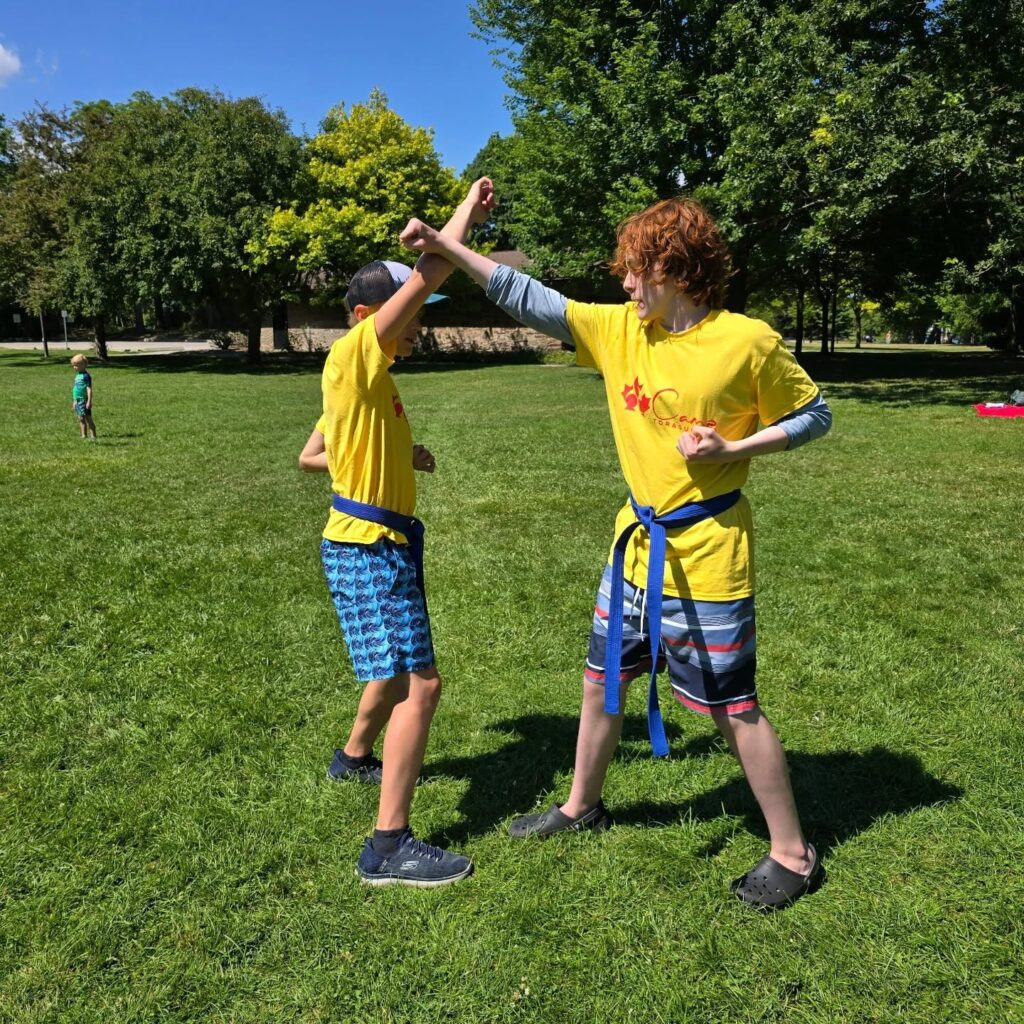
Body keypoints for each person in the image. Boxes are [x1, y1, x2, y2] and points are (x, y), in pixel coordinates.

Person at [400, 196, 832, 910]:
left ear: (677, 269)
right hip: (633, 547)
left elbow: (815, 413)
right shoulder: (621, 329)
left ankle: (793, 851)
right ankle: (581, 806)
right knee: (602, 680)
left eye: (636, 270)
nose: (626, 284)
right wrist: (451, 247)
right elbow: (526, 295)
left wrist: (737, 446)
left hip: (709, 556)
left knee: (732, 707)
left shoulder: (747, 341)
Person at [316, 178, 494, 888]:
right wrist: (463, 217)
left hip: (370, 543)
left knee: (391, 674)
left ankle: (353, 758)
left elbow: (325, 450)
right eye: (410, 311)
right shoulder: (354, 354)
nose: (419, 323)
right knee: (423, 686)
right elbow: (432, 270)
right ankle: (388, 846)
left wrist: (401, 457)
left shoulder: (373, 378)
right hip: (370, 548)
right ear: (369, 316)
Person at [70, 354, 97, 440]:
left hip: (83, 400)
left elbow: (89, 389)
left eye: (76, 365)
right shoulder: (78, 375)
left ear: (84, 365)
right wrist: (75, 400)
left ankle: (93, 436)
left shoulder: (86, 376)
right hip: (78, 400)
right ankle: (83, 435)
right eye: (73, 365)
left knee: (88, 418)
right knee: (80, 418)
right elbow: (76, 389)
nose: (74, 367)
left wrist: (89, 401)